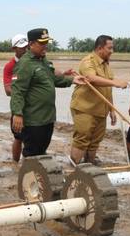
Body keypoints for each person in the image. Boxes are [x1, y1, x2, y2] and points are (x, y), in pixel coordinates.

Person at [10, 28, 85, 157]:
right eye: (42, 43)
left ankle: (37, 169)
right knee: (32, 153)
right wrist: (17, 114)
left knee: (41, 150)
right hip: (34, 120)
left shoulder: (43, 60)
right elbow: (18, 91)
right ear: (31, 44)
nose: (45, 46)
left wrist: (72, 80)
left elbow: (53, 79)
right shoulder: (25, 64)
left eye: (46, 43)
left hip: (47, 117)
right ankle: (28, 170)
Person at [70, 35, 129, 165]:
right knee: (82, 139)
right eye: (109, 48)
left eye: (112, 48)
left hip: (101, 110)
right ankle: (74, 167)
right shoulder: (88, 61)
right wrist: (115, 82)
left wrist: (112, 110)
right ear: (100, 48)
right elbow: (91, 78)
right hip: (85, 109)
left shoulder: (106, 64)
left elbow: (107, 89)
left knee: (95, 141)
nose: (112, 51)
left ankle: (90, 166)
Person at [3, 34, 28, 162]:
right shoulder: (10, 66)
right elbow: (8, 90)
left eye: (26, 47)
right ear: (14, 48)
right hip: (18, 107)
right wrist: (22, 94)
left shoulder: (33, 62)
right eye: (21, 48)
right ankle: (15, 163)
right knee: (18, 137)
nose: (25, 50)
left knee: (32, 138)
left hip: (33, 107)